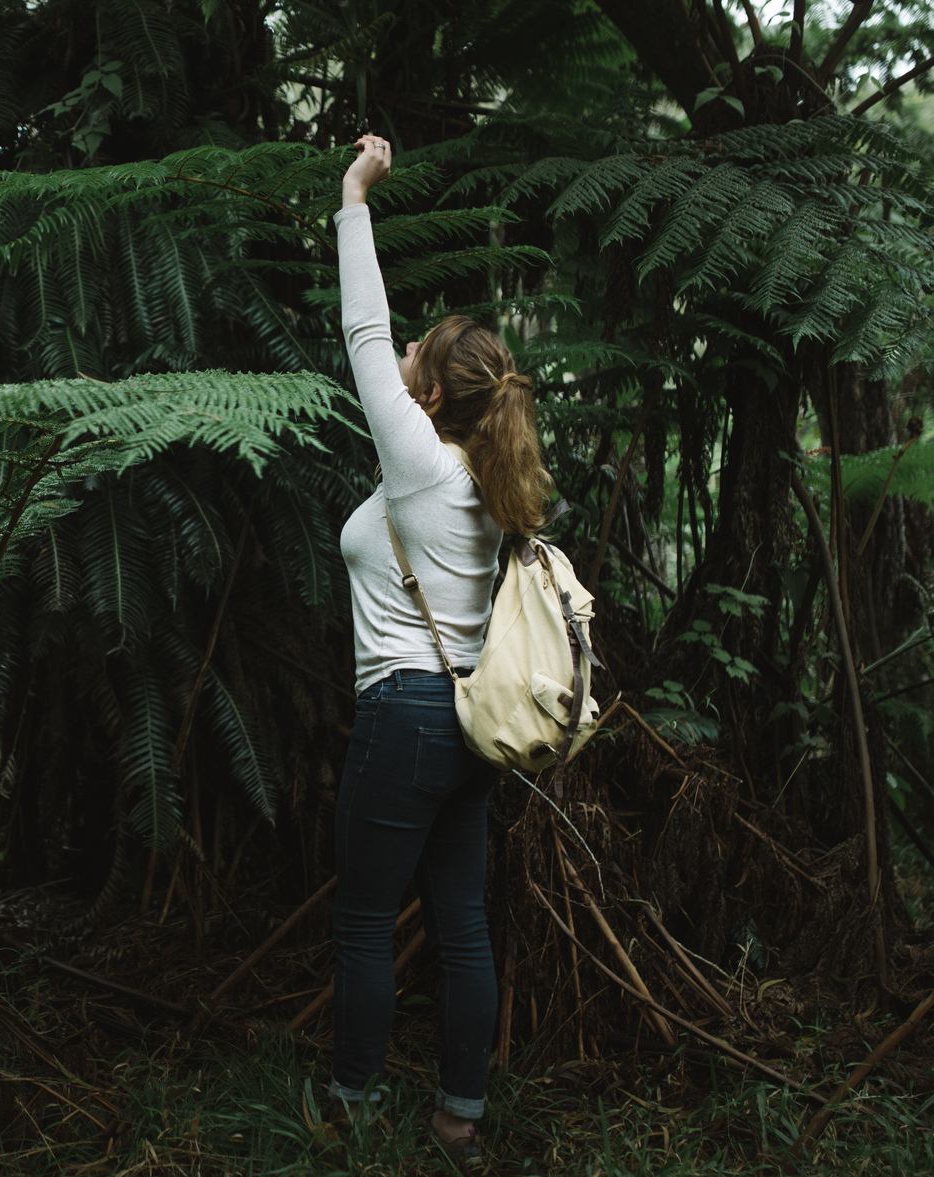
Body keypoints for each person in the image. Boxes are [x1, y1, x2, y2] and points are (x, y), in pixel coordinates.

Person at [328, 133, 554, 1170]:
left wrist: (355, 196)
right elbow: (388, 349)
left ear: (427, 392)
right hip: (467, 724)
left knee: (365, 919)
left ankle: (348, 1110)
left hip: (403, 716)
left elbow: (362, 328)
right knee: (461, 923)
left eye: (419, 351)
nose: (403, 349)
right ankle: (459, 1118)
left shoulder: (421, 465)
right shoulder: (481, 479)